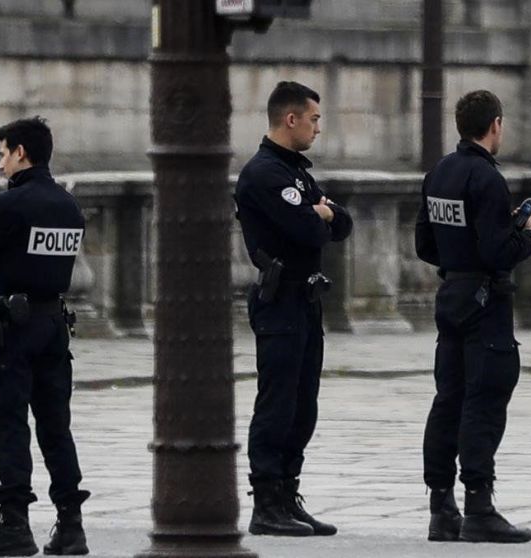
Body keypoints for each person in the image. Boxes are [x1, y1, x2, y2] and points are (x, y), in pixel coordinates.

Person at [0, 116, 90, 556]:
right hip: (56, 325)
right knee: (57, 427)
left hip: (14, 328)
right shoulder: (68, 206)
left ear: (20, 152)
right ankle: (71, 525)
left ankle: (16, 525)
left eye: (2, 154)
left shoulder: (10, 205)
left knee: (10, 423)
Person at [414, 90, 531, 544]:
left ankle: (440, 507)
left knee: (448, 397)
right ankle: (480, 507)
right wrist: (526, 233)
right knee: (484, 398)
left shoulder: (439, 173)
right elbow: (497, 251)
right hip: (487, 301)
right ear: (496, 125)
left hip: (451, 294)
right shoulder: (487, 178)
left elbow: (424, 246)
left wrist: (458, 255)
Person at [235, 81, 353, 537]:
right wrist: (318, 215)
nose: (318, 128)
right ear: (291, 119)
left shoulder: (297, 174)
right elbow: (309, 230)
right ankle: (266, 502)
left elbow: (340, 223)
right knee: (278, 403)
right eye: (314, 119)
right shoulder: (265, 173)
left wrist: (321, 214)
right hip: (279, 301)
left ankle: (287, 493)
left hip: (305, 301)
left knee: (304, 405)